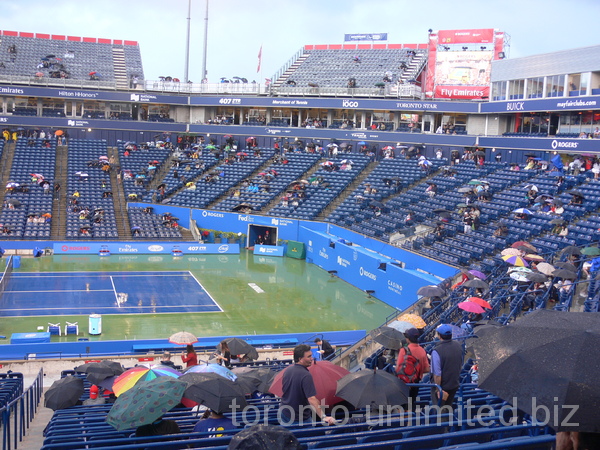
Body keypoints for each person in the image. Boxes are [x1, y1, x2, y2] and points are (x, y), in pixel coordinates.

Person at [279, 344, 336, 425]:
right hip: (299, 418)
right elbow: (311, 399)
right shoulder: (306, 375)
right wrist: (323, 417)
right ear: (300, 359)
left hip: (284, 412)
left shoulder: (288, 370)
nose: (311, 359)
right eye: (309, 357)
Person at [430, 324, 463, 408]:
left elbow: (437, 375)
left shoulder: (437, 351)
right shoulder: (458, 345)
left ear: (440, 336)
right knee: (448, 407)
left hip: (442, 387)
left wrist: (438, 389)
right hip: (454, 384)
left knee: (439, 409)